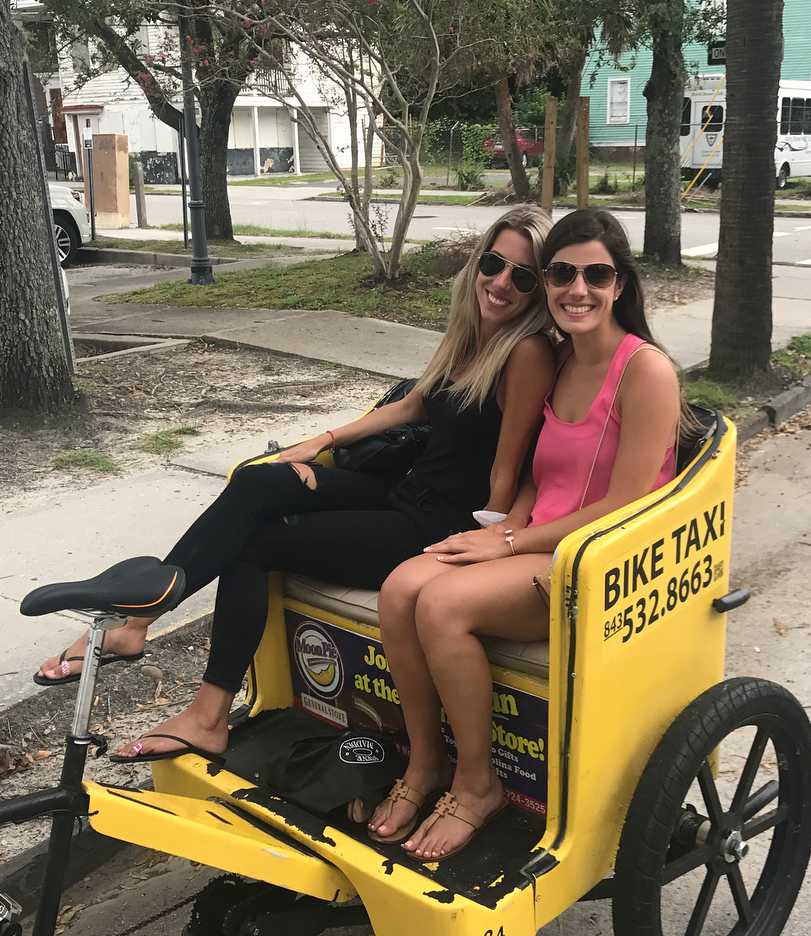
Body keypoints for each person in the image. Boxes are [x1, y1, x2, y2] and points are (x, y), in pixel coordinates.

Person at [35, 206, 557, 764]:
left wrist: (493, 541)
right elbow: (411, 405)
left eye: (522, 276)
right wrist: (319, 442)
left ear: (538, 289)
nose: (501, 283)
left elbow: (513, 466)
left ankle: (196, 701)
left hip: (432, 529)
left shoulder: (525, 352)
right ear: (478, 261)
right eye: (494, 263)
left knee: (256, 546)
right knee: (258, 484)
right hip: (403, 490)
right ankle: (139, 622)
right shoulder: (472, 332)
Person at [367, 208, 688, 859]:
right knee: (400, 588)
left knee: (443, 602)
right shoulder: (562, 360)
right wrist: (510, 522)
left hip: (596, 561)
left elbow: (623, 504)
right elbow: (544, 473)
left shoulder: (645, 372)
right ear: (545, 284)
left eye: (596, 275)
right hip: (542, 544)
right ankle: (425, 764)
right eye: (562, 274)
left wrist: (510, 543)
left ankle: (478, 784)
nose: (578, 289)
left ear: (620, 284)